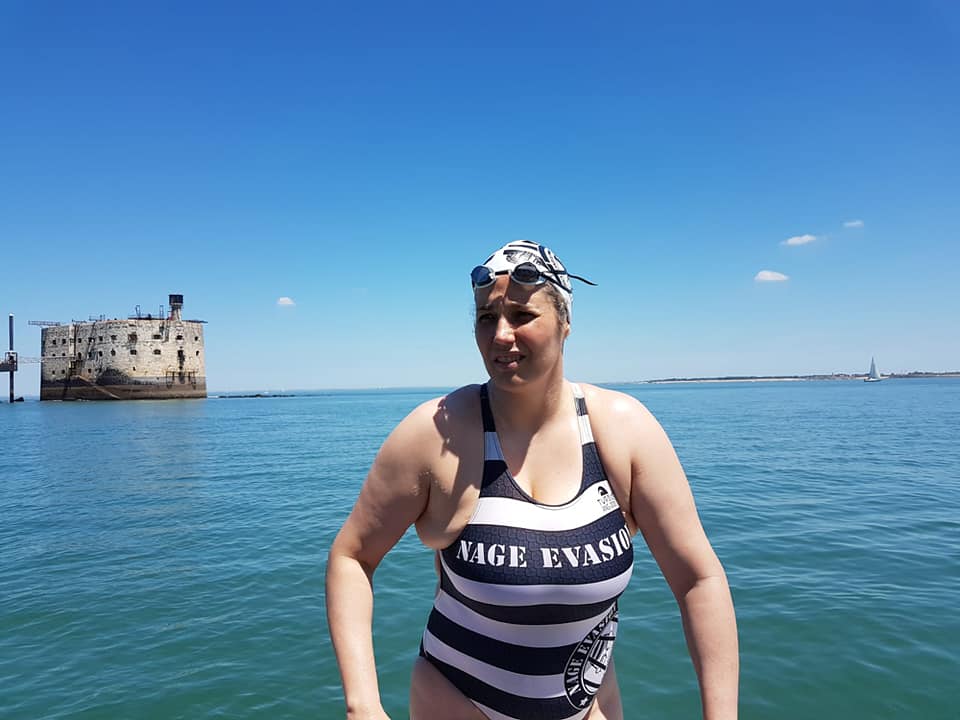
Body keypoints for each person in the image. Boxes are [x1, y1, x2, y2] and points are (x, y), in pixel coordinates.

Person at [326, 240, 739, 720]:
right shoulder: (435, 434)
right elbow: (352, 556)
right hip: (459, 703)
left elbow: (697, 579)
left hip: (590, 706)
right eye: (487, 317)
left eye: (522, 315)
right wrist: (363, 705)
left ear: (565, 323)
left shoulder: (623, 432)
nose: (501, 334)